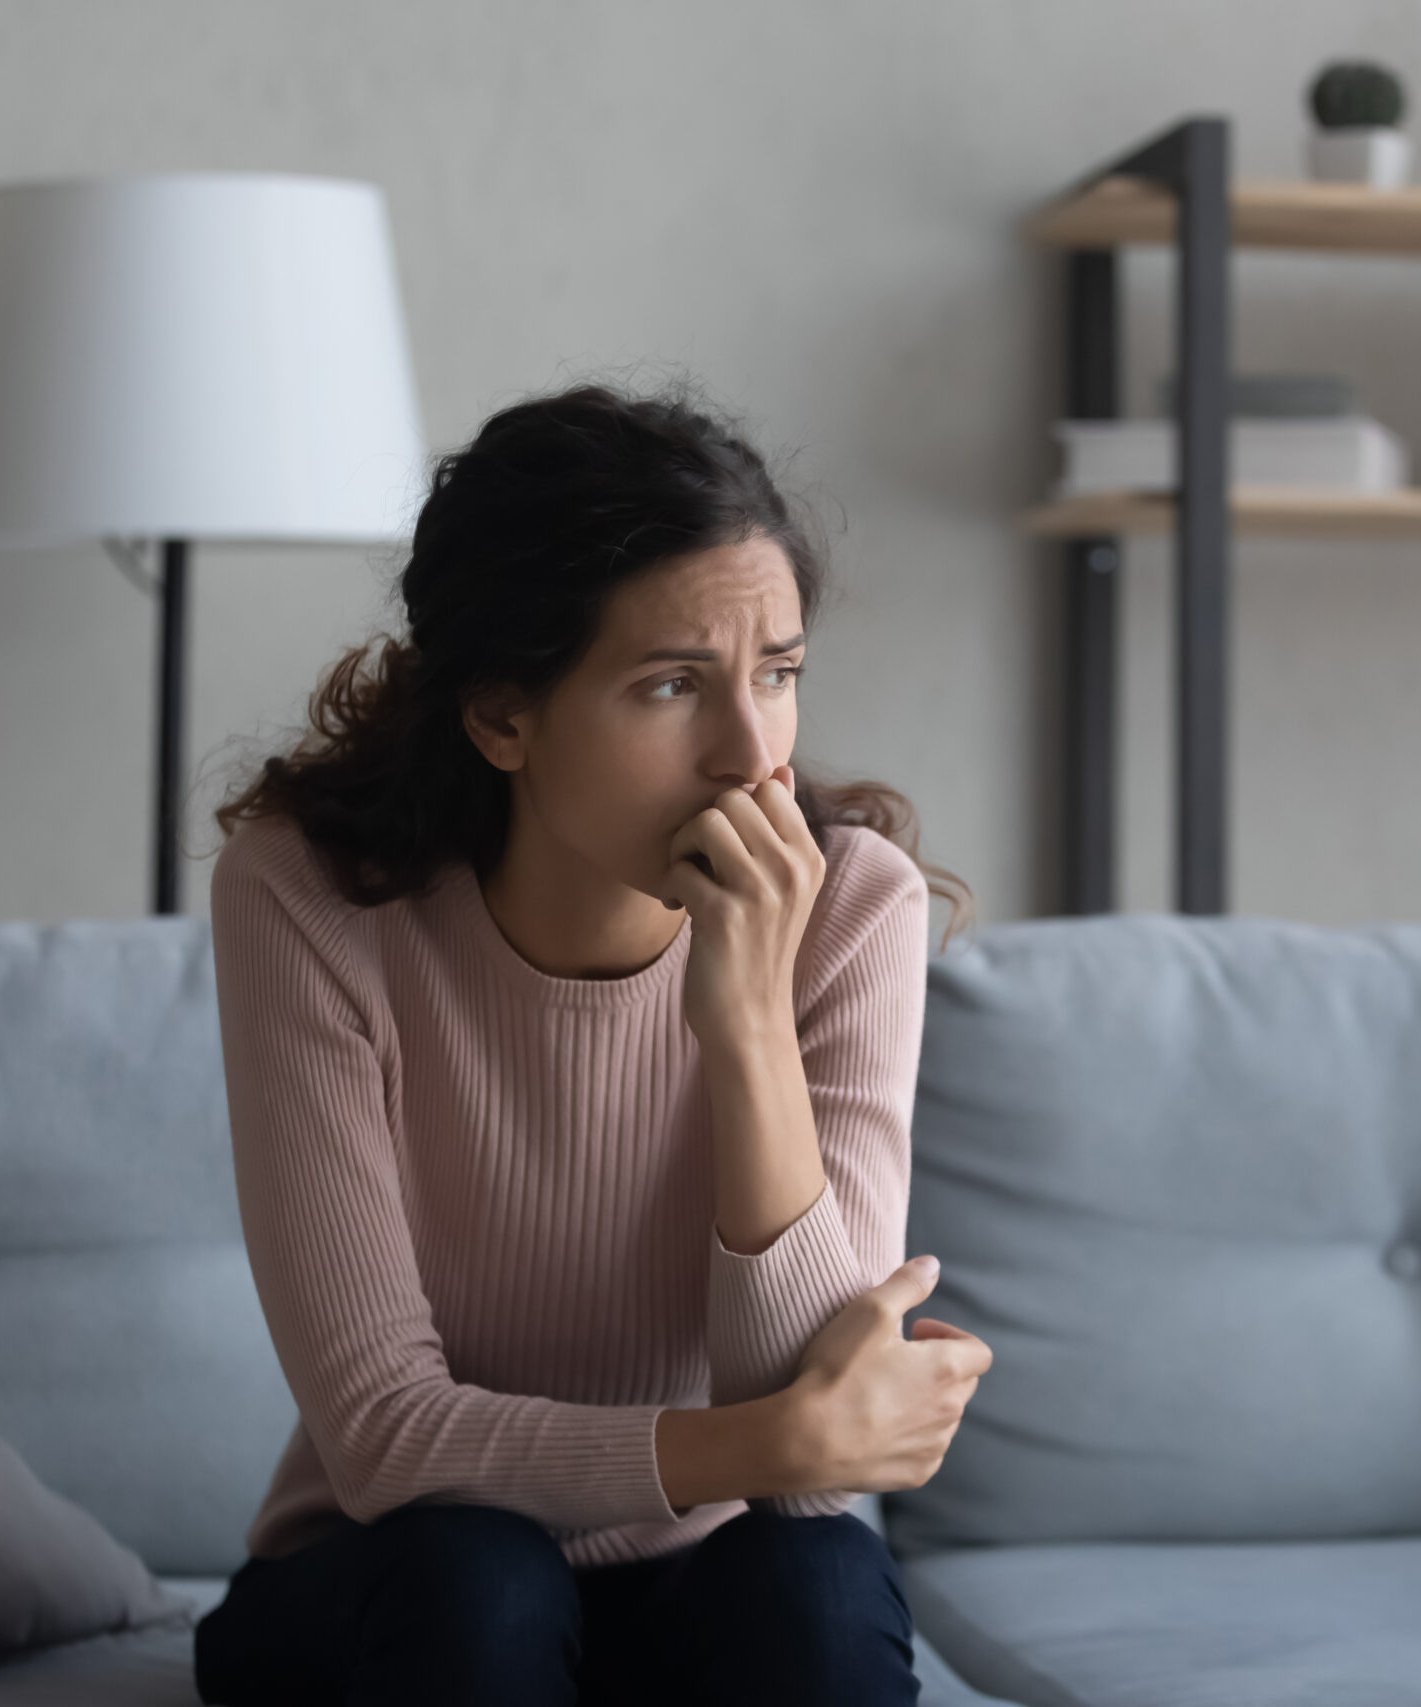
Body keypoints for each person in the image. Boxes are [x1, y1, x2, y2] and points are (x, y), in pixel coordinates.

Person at [189, 382, 991, 1706]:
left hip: (703, 1580)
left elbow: (815, 1490)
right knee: (478, 1578)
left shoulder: (852, 910)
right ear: (504, 718)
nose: (753, 758)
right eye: (673, 684)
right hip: (392, 1581)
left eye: (777, 675)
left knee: (819, 1584)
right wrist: (774, 1444)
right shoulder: (311, 900)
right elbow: (388, 1440)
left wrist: (740, 1021)